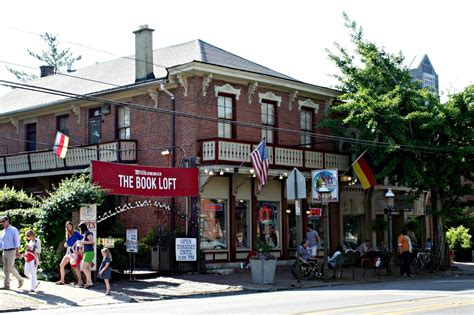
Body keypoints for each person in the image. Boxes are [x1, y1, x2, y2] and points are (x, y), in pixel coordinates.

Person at [56, 221, 83, 286]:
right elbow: (68, 243)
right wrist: (66, 244)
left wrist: (80, 248)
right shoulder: (67, 234)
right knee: (61, 265)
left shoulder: (76, 233)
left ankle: (80, 281)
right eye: (68, 226)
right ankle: (62, 280)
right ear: (66, 227)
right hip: (68, 251)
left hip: (75, 251)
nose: (69, 227)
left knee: (75, 267)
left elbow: (82, 239)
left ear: (72, 226)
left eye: (70, 226)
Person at [0, 216, 24, 290]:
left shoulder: (13, 229)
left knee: (10, 268)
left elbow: (17, 241)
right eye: (1, 222)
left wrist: (17, 252)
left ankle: (20, 280)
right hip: (4, 251)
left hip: (12, 251)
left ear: (7, 221)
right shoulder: (3, 231)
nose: (2, 223)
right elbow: (1, 243)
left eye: (3, 221)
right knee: (5, 269)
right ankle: (6, 285)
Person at [78, 222, 95, 288]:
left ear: (82, 228)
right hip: (87, 253)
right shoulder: (86, 233)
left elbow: (92, 242)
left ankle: (90, 282)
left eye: (80, 228)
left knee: (83, 268)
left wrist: (82, 242)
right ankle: (88, 283)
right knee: (87, 268)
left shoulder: (88, 233)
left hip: (89, 253)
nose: (80, 230)